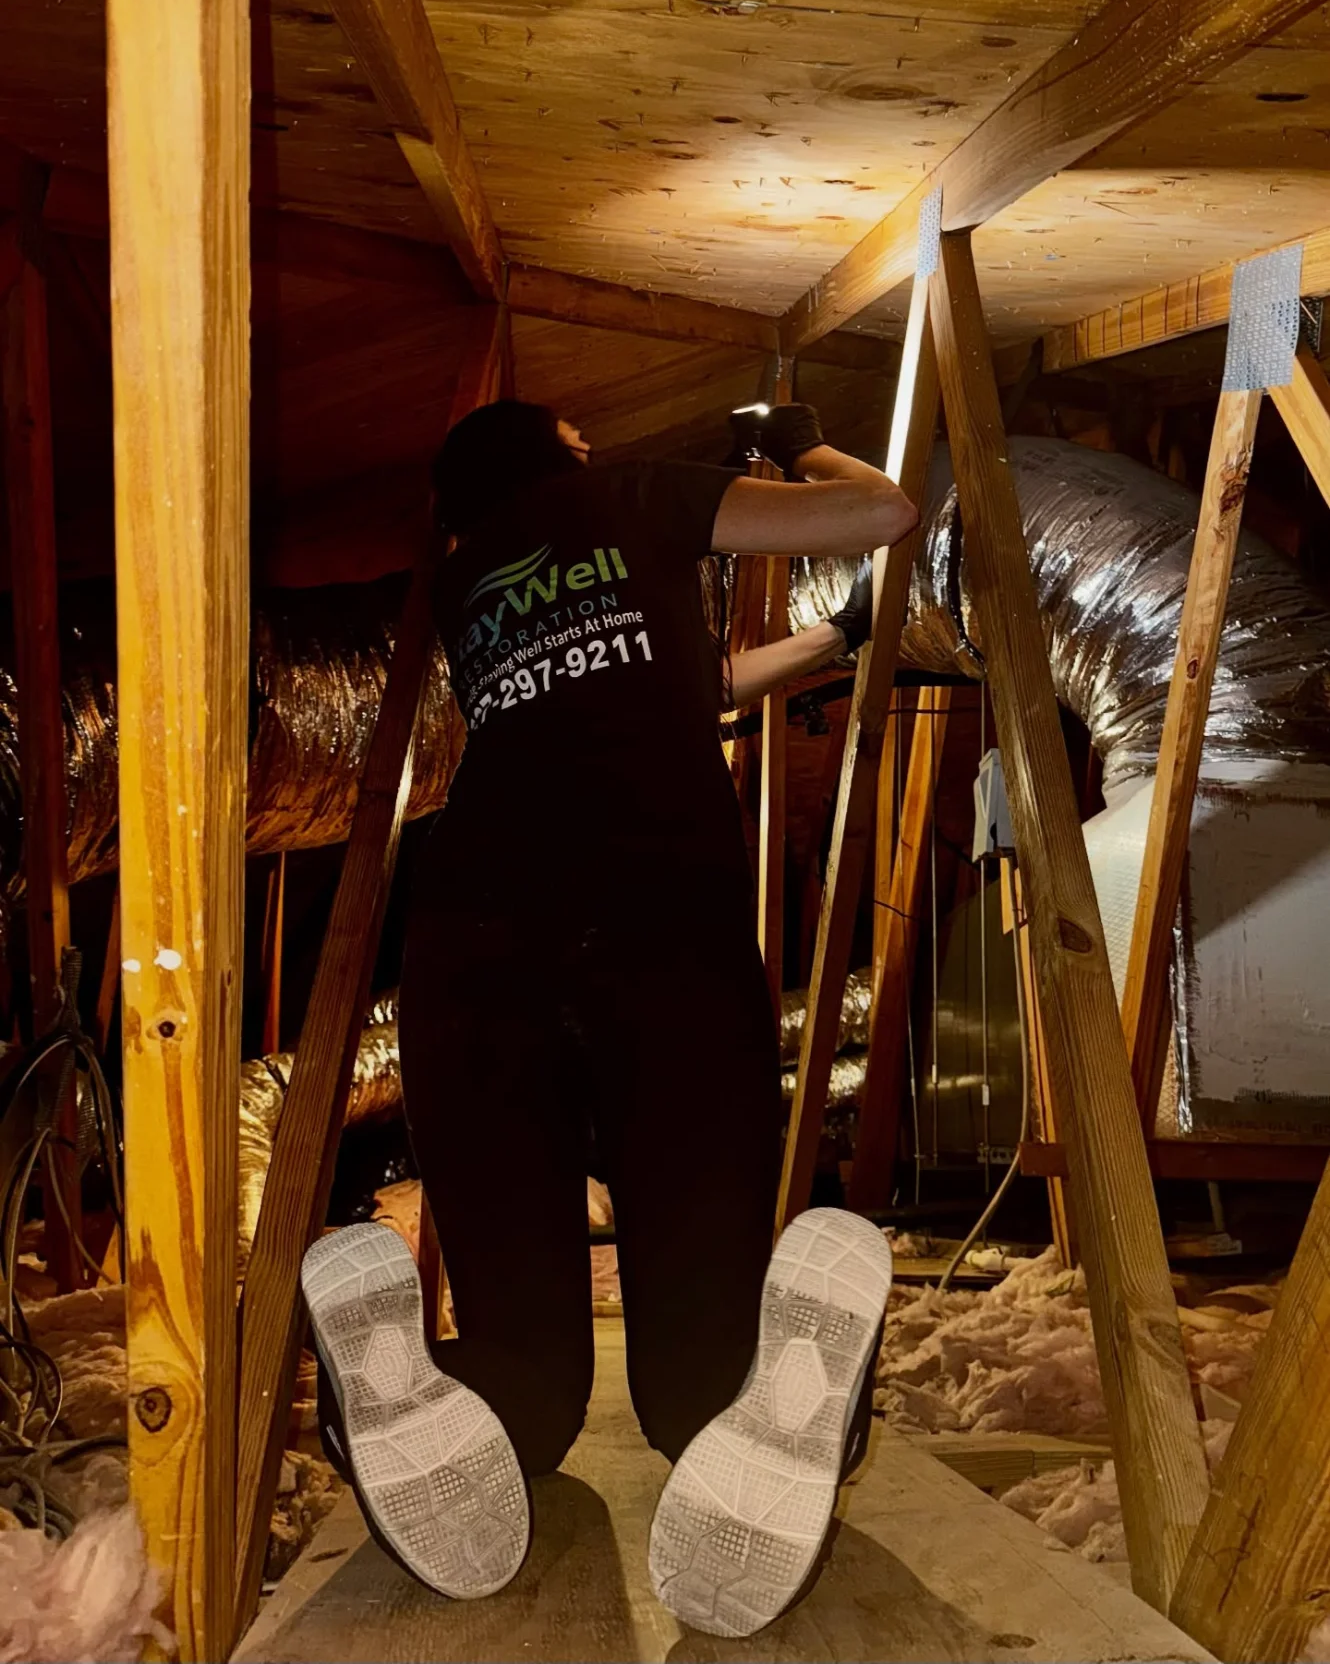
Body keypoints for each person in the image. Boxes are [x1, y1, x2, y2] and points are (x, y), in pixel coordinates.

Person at [301, 399, 915, 1635]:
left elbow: (691, 680)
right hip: (663, 940)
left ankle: (393, 1375)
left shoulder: (468, 578)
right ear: (562, 449)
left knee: (527, 1397)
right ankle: (797, 1395)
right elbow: (880, 508)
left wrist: (826, 640)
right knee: (697, 1392)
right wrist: (791, 436)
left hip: (471, 957)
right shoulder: (635, 494)